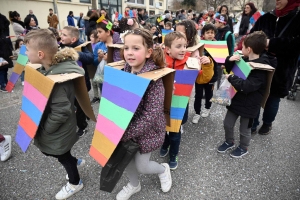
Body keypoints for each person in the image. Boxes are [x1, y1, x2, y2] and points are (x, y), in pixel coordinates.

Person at [24, 29, 85, 199]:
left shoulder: (56, 79)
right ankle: (74, 161)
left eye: (27, 50)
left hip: (57, 130)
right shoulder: (50, 70)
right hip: (62, 129)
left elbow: (61, 110)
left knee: (61, 155)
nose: (25, 53)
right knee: (62, 152)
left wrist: (46, 130)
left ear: (40, 54)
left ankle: (75, 182)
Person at [115, 28, 172, 200]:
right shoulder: (125, 70)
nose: (129, 53)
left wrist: (126, 133)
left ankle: (163, 170)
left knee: (142, 166)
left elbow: (151, 115)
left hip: (148, 131)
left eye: (135, 48)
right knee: (127, 161)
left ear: (148, 52)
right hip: (126, 127)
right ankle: (134, 184)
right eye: (126, 48)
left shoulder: (154, 79)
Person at [217, 31, 272, 158]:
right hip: (236, 99)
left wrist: (231, 78)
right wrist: (229, 60)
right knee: (227, 124)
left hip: (250, 105)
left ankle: (243, 147)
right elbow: (229, 68)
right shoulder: (243, 58)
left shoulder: (262, 68)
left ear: (249, 49)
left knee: (245, 130)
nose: (240, 48)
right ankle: (229, 141)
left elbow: (247, 86)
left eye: (242, 46)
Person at [250, 0, 300, 135]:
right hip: (259, 64)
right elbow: (252, 35)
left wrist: (270, 43)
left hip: (282, 68)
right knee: (255, 94)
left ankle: (267, 123)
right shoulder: (266, 17)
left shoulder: (297, 18)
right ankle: (253, 123)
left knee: (273, 97)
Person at [60, 26, 93, 137]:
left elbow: (90, 58)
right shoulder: (60, 46)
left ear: (73, 39)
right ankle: (85, 113)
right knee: (71, 105)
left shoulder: (81, 46)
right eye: (61, 34)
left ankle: (82, 126)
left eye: (64, 35)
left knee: (79, 106)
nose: (61, 37)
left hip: (82, 85)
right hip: (67, 84)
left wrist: (72, 52)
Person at [191, 24, 217, 124]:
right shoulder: (199, 45)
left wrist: (215, 77)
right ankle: (197, 112)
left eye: (212, 32)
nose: (210, 35)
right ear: (203, 34)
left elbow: (219, 63)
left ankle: (207, 107)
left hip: (211, 75)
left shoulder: (218, 46)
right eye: (207, 32)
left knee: (209, 93)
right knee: (198, 95)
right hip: (200, 74)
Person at [0, 13, 14, 92]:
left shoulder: (4, 33)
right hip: (1, 53)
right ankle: (2, 85)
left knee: (5, 69)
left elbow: (7, 43)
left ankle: (5, 82)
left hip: (5, 52)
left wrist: (10, 53)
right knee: (1, 70)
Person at [89, 30, 100, 104]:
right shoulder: (89, 45)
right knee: (93, 83)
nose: (91, 38)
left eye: (93, 37)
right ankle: (96, 96)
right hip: (92, 68)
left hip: (98, 67)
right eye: (90, 36)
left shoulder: (98, 45)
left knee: (99, 83)